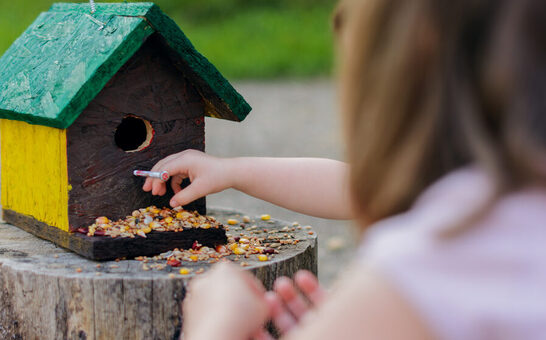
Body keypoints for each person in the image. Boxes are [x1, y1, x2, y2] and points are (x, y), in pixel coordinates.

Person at [143, 0, 546, 339]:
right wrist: (231, 171)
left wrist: (215, 325)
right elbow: (356, 185)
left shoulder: (437, 253)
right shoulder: (510, 204)